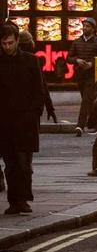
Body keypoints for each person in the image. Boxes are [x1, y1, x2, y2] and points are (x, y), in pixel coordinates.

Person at [0, 24, 46, 214]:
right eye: (4, 43)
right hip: (4, 121)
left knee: (24, 163)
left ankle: (23, 199)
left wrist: (35, 113)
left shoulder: (30, 61)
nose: (7, 47)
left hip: (25, 121)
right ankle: (14, 202)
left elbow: (39, 89)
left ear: (17, 41)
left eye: (10, 43)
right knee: (11, 164)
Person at [68, 17, 97, 137]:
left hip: (93, 75)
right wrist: (77, 60)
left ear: (93, 29)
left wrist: (91, 64)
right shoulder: (77, 42)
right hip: (80, 75)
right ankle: (96, 124)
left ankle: (80, 125)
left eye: (88, 26)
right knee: (89, 101)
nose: (85, 28)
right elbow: (69, 58)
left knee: (86, 100)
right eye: (84, 26)